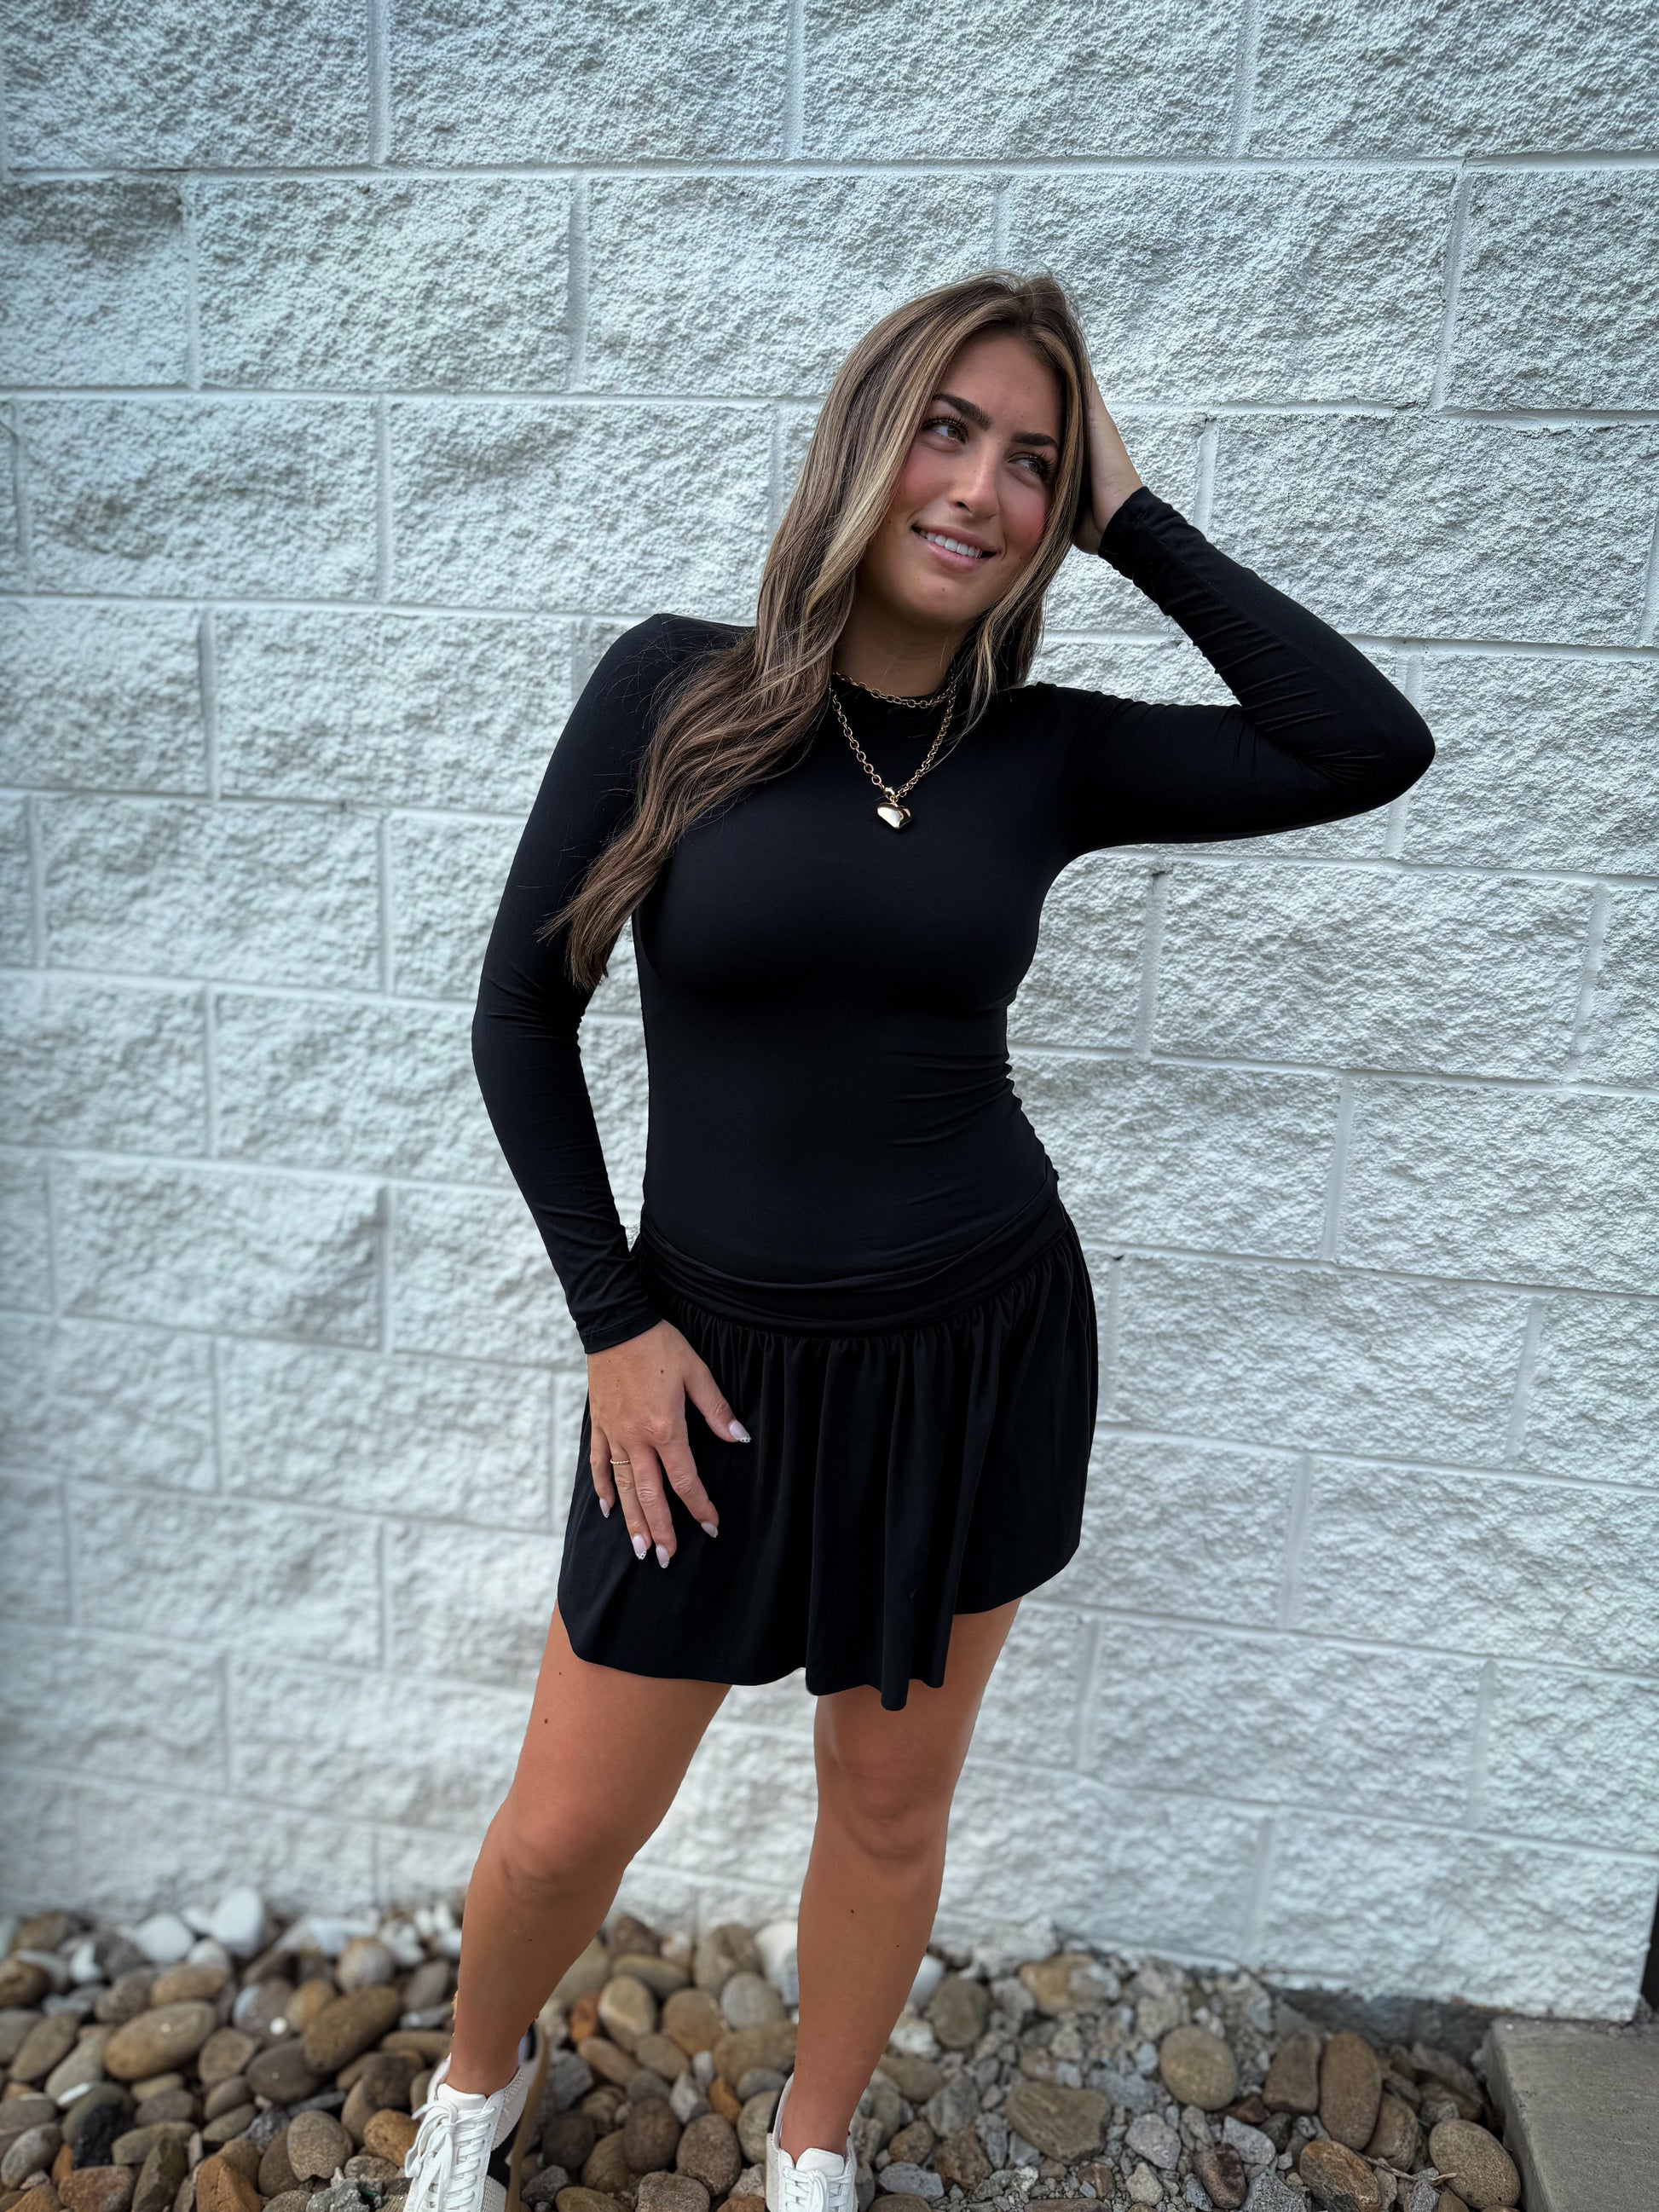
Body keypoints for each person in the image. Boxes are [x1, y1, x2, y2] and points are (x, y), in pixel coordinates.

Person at [399, 271, 1435, 2212]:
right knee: (565, 1826)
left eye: (1032, 460)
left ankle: (812, 2145)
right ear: (863, 444)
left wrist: (1134, 513)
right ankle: (473, 2085)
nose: (980, 487)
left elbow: (1364, 742)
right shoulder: (670, 691)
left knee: (885, 1807)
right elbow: (521, 1013)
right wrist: (613, 1323)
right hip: (696, 1374)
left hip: (974, 1347)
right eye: (945, 431)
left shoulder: (1042, 753)